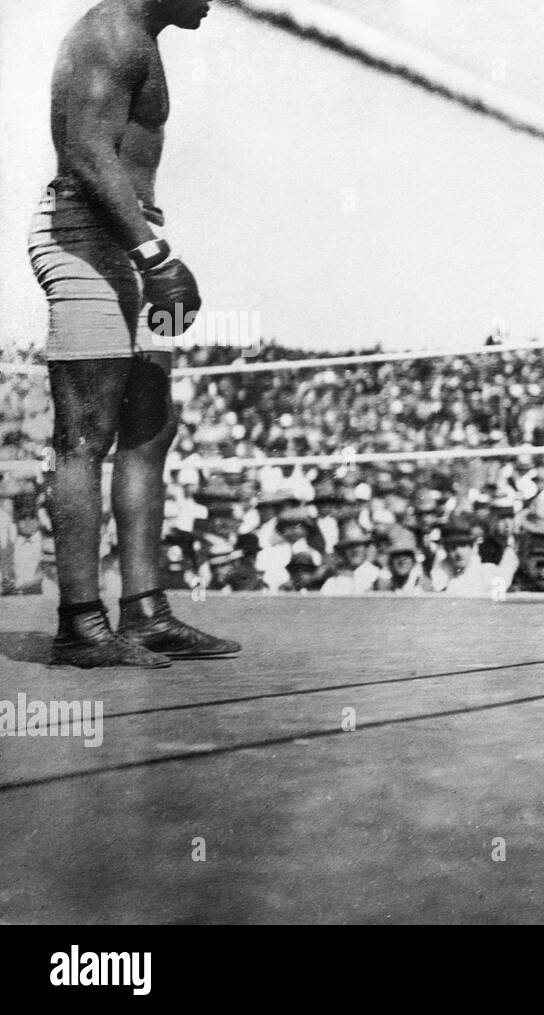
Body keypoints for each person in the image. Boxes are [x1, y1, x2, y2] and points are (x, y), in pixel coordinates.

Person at [28, 0, 235, 667]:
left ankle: (145, 610)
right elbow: (88, 153)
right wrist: (155, 259)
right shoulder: (112, 32)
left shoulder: (138, 35)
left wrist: (150, 251)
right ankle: (79, 623)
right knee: (85, 432)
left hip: (133, 235)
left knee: (150, 424)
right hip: (89, 236)